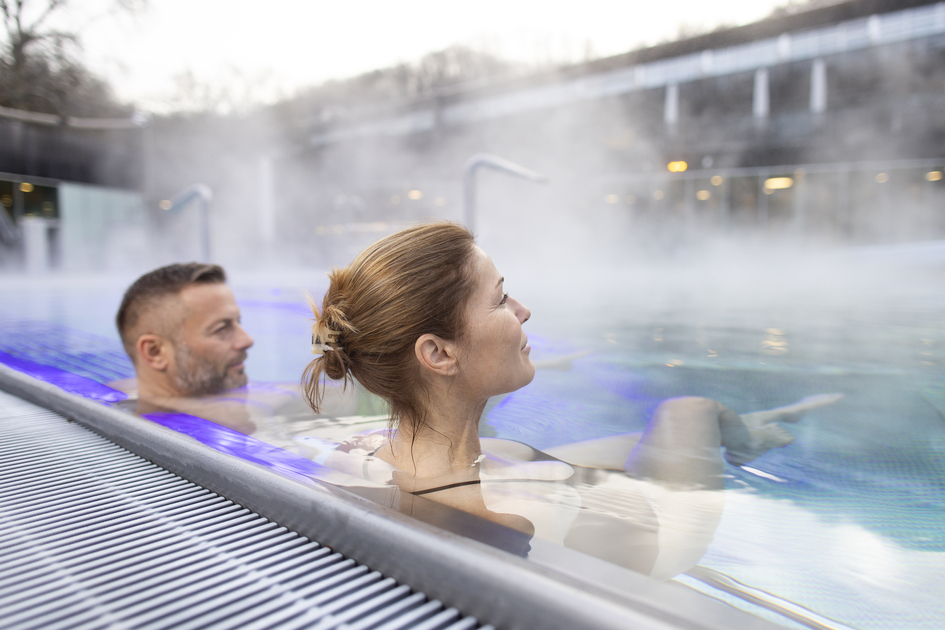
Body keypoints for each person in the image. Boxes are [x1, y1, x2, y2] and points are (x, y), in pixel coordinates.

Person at [301, 221, 842, 579]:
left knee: (553, 451)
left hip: (526, 478)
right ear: (439, 353)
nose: (524, 309)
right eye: (499, 299)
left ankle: (747, 428)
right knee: (688, 411)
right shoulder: (502, 518)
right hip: (665, 530)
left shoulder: (358, 452)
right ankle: (748, 437)